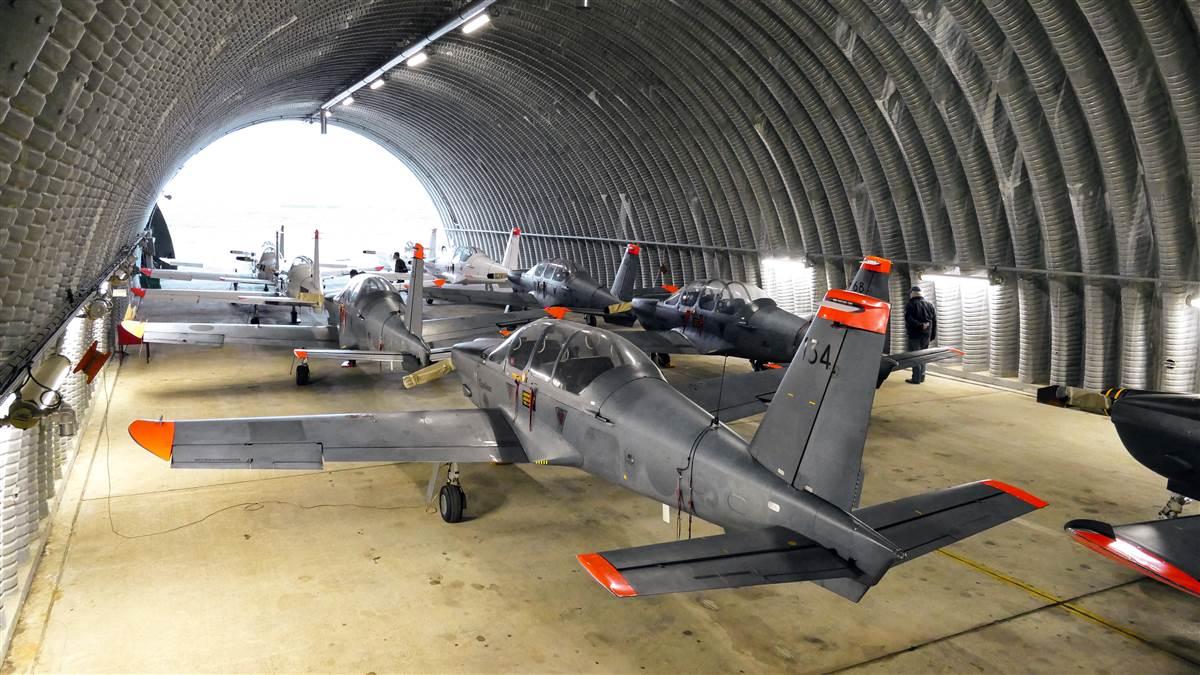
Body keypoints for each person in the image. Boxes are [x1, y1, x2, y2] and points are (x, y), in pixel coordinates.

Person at [904, 285, 937, 384]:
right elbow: (934, 321)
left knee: (916, 357)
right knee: (923, 355)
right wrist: (932, 335)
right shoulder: (929, 305)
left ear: (912, 294)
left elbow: (909, 319)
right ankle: (922, 376)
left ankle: (916, 378)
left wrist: (919, 325)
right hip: (927, 335)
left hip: (915, 335)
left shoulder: (910, 304)